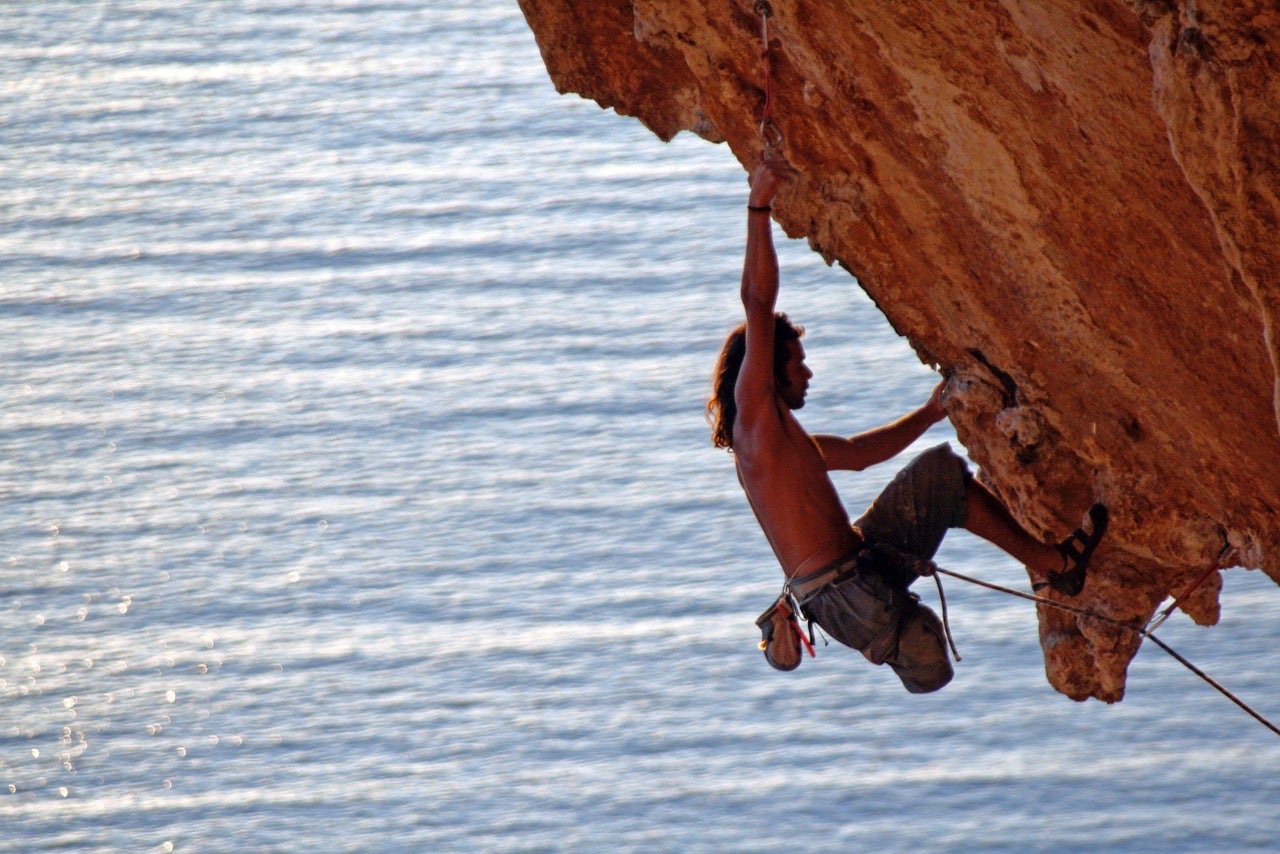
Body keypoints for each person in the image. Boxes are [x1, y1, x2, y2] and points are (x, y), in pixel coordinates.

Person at [708, 160, 1108, 693]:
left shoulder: (778, 447)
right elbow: (758, 304)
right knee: (942, 487)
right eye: (795, 362)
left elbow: (857, 452)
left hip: (852, 580)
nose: (807, 372)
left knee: (944, 481)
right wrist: (759, 205)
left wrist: (928, 412)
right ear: (764, 371)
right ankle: (1056, 565)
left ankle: (1034, 571)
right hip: (848, 593)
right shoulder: (754, 423)